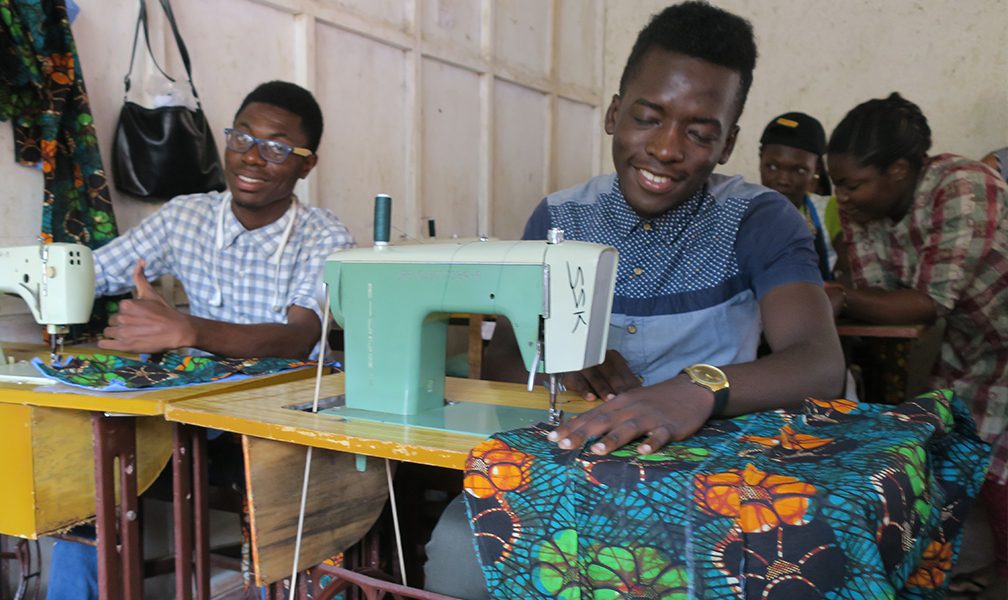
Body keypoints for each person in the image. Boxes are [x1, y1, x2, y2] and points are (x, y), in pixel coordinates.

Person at [423, 3, 844, 597]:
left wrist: (696, 389)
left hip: (708, 482)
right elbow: (505, 364)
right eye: (648, 118)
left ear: (727, 145)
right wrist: (563, 365)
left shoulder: (760, 221)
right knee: (460, 551)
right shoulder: (560, 218)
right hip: (571, 466)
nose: (668, 149)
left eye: (700, 133)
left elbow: (819, 361)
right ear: (615, 113)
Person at [0, 80, 355, 599]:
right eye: (242, 137)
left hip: (279, 416)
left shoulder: (324, 235)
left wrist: (187, 330)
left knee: (278, 527)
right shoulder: (187, 217)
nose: (253, 157)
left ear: (306, 164)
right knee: (85, 486)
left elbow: (299, 336)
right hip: (188, 409)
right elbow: (86, 273)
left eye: (278, 147)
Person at [824, 93, 1008, 599]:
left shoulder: (964, 186)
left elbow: (926, 304)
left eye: (852, 183)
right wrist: (846, 295)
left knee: (998, 468)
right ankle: (961, 574)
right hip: (973, 345)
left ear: (899, 171)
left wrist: (840, 296)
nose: (842, 196)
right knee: (945, 445)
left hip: (997, 342)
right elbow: (878, 304)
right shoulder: (861, 207)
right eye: (837, 182)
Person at [757, 111, 836, 278]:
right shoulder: (741, 214)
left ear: (817, 169)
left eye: (799, 170)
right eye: (772, 167)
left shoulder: (829, 211)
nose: (783, 180)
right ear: (760, 158)